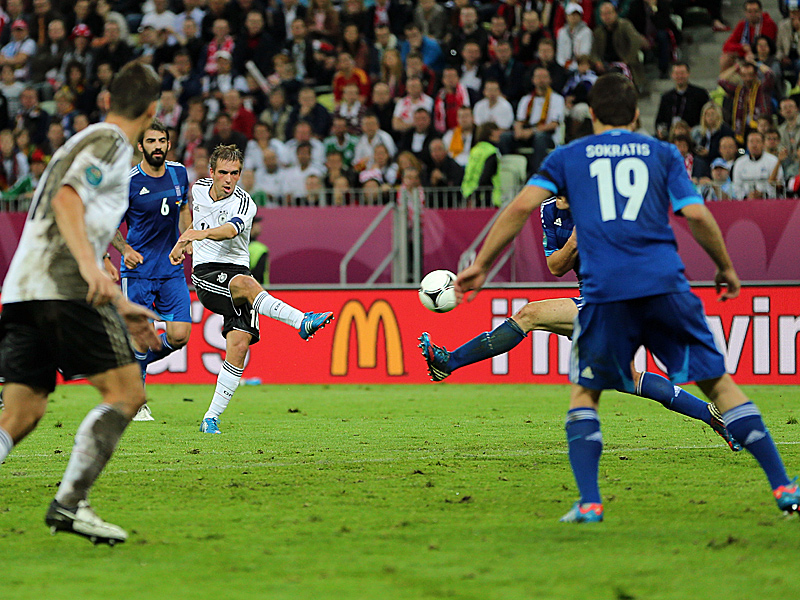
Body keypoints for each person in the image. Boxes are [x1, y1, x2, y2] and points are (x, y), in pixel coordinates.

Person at [447, 73, 799, 523]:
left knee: (586, 392)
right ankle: (784, 487)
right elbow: (696, 214)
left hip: (606, 293)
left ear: (591, 114)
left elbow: (517, 208)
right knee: (721, 386)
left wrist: (480, 264)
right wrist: (726, 267)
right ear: (636, 115)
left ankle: (591, 502)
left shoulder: (569, 157)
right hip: (664, 285)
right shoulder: (663, 153)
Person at [0, 61, 162, 545]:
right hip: (63, 286)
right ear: (153, 111)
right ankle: (70, 505)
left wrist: (120, 299)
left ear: (109, 97)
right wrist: (93, 272)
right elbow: (68, 199)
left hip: (24, 289)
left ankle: (71, 505)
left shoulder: (84, 139)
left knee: (21, 412)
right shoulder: (111, 143)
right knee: (127, 395)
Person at [168, 144, 333, 434]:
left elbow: (230, 230)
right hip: (207, 273)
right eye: (223, 173)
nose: (229, 179)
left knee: (239, 345)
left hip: (238, 274)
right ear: (211, 173)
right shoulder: (197, 190)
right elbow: (189, 213)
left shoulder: (245, 203)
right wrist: (185, 241)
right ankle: (300, 321)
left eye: (235, 173)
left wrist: (198, 234)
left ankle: (211, 418)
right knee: (247, 284)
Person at [110, 120, 192, 422]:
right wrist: (125, 250)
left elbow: (184, 208)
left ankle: (131, 369)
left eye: (162, 141)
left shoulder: (179, 173)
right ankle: (137, 399)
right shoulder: (128, 181)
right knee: (141, 336)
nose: (157, 146)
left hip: (170, 269)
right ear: (141, 146)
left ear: (168, 144)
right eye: (151, 141)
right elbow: (108, 224)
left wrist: (185, 238)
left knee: (180, 335)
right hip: (139, 272)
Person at [654, 62, 710, 139]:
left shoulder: (700, 94)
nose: (679, 76)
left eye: (682, 73)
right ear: (672, 75)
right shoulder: (666, 97)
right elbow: (659, 120)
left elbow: (706, 117)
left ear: (688, 74)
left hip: (693, 135)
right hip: (671, 136)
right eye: (677, 73)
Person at [248, 215, 269, 285]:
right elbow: (259, 274)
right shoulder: (260, 249)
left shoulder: (235, 246)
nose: (260, 226)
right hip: (258, 289)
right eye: (256, 223)